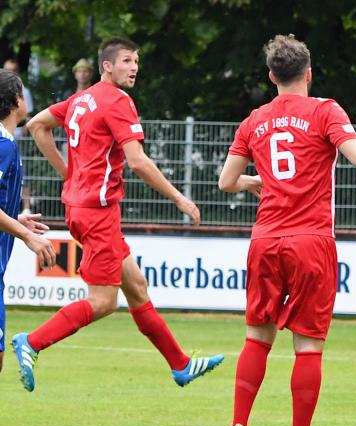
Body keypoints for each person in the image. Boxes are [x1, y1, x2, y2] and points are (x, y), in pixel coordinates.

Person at [220, 34, 356, 426]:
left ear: (272, 76)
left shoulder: (254, 119)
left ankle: (238, 423)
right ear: (309, 73)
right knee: (307, 345)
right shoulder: (324, 110)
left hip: (266, 239)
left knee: (257, 338)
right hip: (311, 240)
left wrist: (257, 180)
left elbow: (226, 182)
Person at [13, 37, 223, 393]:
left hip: (82, 208)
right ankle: (31, 341)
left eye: (136, 61)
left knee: (137, 287)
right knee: (104, 302)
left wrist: (70, 174)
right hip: (97, 212)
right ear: (107, 66)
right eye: (127, 60)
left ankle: (181, 364)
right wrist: (179, 198)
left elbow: (36, 125)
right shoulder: (118, 101)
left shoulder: (82, 98)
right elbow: (138, 161)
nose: (134, 67)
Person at [0, 68, 56, 375]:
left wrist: (16, 217)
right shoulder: (3, 145)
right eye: (23, 93)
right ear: (14, 100)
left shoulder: (8, 142)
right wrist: (26, 234)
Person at [3, 58, 33, 138]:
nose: (9, 73)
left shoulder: (24, 91)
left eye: (12, 70)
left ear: (17, 72)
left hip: (17, 136)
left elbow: (27, 115)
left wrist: (22, 134)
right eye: (6, 70)